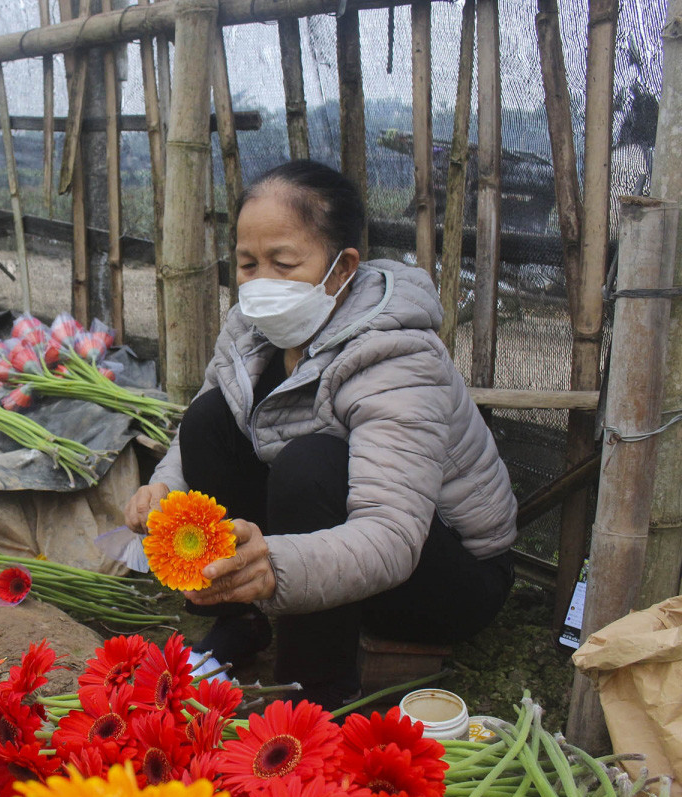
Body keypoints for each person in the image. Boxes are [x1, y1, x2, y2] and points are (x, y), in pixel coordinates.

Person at [123, 159, 517, 708]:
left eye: (283, 263)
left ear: (342, 267)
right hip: (327, 543)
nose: (261, 284)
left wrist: (273, 567)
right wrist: (163, 488)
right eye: (246, 264)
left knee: (312, 463)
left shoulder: (396, 354)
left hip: (442, 574)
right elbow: (207, 419)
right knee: (211, 418)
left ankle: (317, 690)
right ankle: (241, 624)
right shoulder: (249, 328)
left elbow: (393, 535)